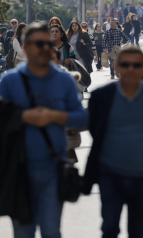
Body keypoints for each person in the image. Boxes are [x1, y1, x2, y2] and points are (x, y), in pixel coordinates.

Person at [0, 21, 87, 238]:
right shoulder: (10, 81)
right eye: (39, 43)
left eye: (48, 43)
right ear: (26, 47)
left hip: (53, 167)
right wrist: (22, 116)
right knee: (23, 232)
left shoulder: (64, 80)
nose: (45, 48)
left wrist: (54, 116)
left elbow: (82, 118)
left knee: (51, 230)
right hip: (19, 169)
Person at [83, 45, 143, 238]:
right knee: (109, 228)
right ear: (116, 67)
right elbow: (95, 129)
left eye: (136, 65)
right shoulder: (101, 96)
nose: (131, 69)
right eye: (125, 64)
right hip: (110, 174)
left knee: (138, 232)